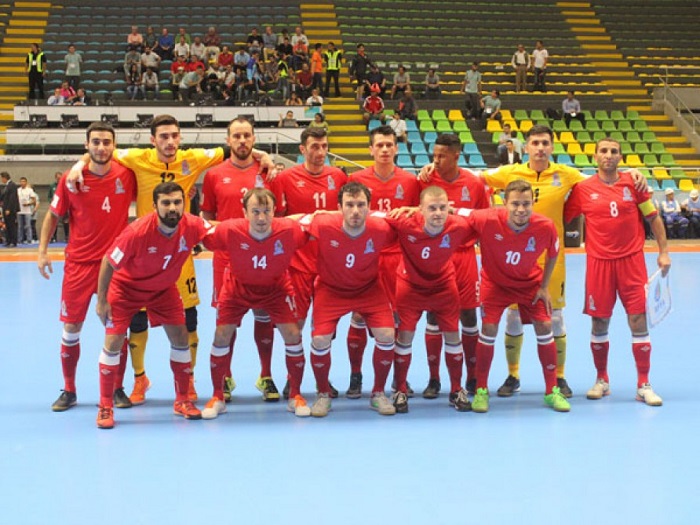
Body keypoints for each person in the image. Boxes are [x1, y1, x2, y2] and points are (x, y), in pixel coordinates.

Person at [67, 115, 274, 406]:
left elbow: (232, 150)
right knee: (137, 321)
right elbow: (100, 151)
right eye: (163, 136)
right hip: (142, 254)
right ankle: (140, 379)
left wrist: (262, 153)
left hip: (179, 253)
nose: (170, 141)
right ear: (153, 140)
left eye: (175, 135)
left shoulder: (194, 158)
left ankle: (187, 383)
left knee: (188, 320)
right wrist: (78, 164)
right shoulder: (136, 157)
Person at [94, 182, 215, 429]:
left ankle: (182, 400)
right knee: (114, 341)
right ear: (155, 206)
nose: (173, 208)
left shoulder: (191, 224)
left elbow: (221, 230)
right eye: (166, 203)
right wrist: (101, 299)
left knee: (181, 337)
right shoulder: (137, 232)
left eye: (177, 202)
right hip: (126, 290)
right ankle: (106, 405)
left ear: (185, 203)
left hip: (163, 289)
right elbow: (108, 261)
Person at [38, 122, 137, 412]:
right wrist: (42, 252)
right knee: (71, 327)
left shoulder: (126, 174)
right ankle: (69, 390)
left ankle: (117, 388)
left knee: (117, 329)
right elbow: (52, 216)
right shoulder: (71, 179)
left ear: (114, 146)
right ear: (87, 145)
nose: (101, 147)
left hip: (116, 266)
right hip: (79, 265)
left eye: (107, 142)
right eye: (95, 142)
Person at [564, 138, 671, 407]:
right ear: (595, 156)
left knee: (638, 320)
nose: (608, 155)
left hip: (631, 262)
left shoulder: (633, 185)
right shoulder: (582, 189)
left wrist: (664, 251)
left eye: (613, 151)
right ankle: (602, 380)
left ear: (621, 157)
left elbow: (653, 217)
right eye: (603, 151)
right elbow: (561, 216)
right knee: (599, 322)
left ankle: (643, 384)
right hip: (598, 264)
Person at [200, 188, 311, 418]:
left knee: (293, 334)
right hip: (237, 288)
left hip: (276, 289)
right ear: (245, 212)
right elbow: (197, 230)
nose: (261, 218)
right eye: (255, 211)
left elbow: (321, 222)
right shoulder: (229, 230)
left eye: (267, 211)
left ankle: (295, 395)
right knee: (222, 335)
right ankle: (217, 395)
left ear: (275, 212)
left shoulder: (290, 230)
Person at [464, 180, 569, 413]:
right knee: (489, 329)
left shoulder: (545, 226)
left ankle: (552, 391)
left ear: (533, 203)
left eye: (526, 204)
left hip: (529, 284)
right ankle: (481, 390)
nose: (521, 209)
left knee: (544, 325)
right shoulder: (487, 218)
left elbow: (553, 254)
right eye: (515, 204)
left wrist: (544, 287)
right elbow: (457, 212)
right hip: (495, 283)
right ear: (504, 203)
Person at [301, 182, 399, 417]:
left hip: (369, 289)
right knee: (321, 339)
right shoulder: (322, 223)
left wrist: (413, 210)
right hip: (330, 289)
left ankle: (378, 393)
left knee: (387, 335)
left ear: (369, 207)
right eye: (349, 205)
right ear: (339, 208)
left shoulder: (382, 227)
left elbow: (413, 220)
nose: (355, 211)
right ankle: (323, 393)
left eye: (361, 205)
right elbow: (286, 221)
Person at [200, 118, 279, 403]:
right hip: (226, 259)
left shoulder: (269, 172)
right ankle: (226, 375)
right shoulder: (213, 175)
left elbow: (277, 215)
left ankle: (266, 374)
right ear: (228, 140)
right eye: (237, 136)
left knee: (265, 315)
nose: (242, 141)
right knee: (227, 320)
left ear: (254, 139)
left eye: (247, 135)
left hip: (262, 256)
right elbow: (207, 219)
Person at [270, 127, 348, 398]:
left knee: (325, 329)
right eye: (314, 147)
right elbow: (277, 221)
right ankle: (293, 381)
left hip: (330, 264)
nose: (320, 152)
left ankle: (321, 381)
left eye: (324, 146)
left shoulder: (338, 176)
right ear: (302, 149)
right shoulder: (285, 178)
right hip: (299, 264)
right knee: (296, 325)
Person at [383, 186, 474, 413]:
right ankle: (400, 389)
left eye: (443, 208)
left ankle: (456, 389)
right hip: (410, 287)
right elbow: (370, 215)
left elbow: (487, 217)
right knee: (404, 336)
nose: (437, 213)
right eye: (431, 208)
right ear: (420, 209)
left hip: (443, 286)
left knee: (453, 335)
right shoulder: (404, 222)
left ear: (449, 208)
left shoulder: (459, 226)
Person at [346, 125, 421, 397]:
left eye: (390, 144)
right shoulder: (356, 178)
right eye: (380, 145)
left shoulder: (411, 182)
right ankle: (356, 376)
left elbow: (421, 215)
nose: (385, 149)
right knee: (358, 315)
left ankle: (399, 380)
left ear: (397, 148)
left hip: (399, 260)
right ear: (371, 149)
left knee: (399, 320)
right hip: (367, 257)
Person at [417, 133, 490, 397]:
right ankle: (434, 379)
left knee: (469, 315)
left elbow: (484, 220)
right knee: (434, 315)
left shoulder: (474, 184)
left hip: (465, 256)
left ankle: (472, 377)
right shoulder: (425, 181)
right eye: (434, 155)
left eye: (442, 156)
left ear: (456, 155)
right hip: (435, 256)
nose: (435, 160)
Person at [47, 171, 69, 242]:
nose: (59, 179)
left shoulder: (66, 185)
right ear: (55, 178)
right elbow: (49, 196)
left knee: (66, 222)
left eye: (60, 178)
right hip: (56, 207)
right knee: (54, 222)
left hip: (65, 206)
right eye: (58, 178)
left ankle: (67, 237)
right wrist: (52, 203)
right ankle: (53, 237)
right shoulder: (52, 186)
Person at [1, 172, 19, 247]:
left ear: (5, 178)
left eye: (1, 178)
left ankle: (13, 241)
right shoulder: (6, 186)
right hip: (5, 208)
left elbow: (12, 198)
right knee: (7, 225)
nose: (1, 180)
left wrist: (9, 209)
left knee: (12, 225)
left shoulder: (12, 185)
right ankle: (8, 241)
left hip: (10, 209)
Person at [17, 177, 37, 244]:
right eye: (21, 181)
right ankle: (20, 240)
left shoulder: (29, 190)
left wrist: (28, 203)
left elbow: (34, 200)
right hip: (19, 211)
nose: (22, 183)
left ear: (26, 182)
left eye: (24, 181)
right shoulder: (18, 190)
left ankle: (29, 239)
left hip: (27, 211)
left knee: (28, 225)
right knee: (20, 226)